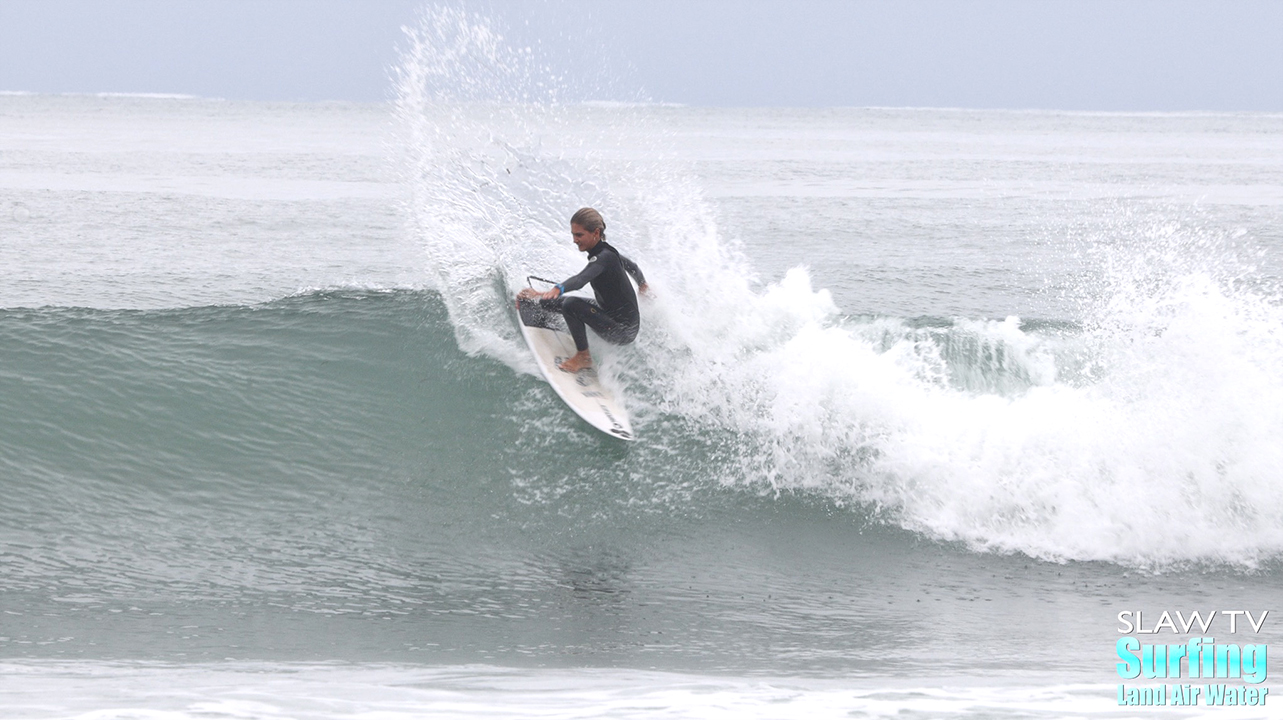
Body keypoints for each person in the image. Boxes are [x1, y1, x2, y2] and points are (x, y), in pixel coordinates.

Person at [517, 207, 648, 372]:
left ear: (596, 233)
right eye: (573, 234)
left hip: (622, 330)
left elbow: (580, 280)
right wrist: (643, 285)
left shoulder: (603, 258)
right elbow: (632, 266)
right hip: (607, 312)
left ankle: (583, 357)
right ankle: (549, 311)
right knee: (548, 302)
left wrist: (559, 288)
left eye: (579, 235)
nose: (574, 240)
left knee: (571, 304)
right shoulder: (607, 252)